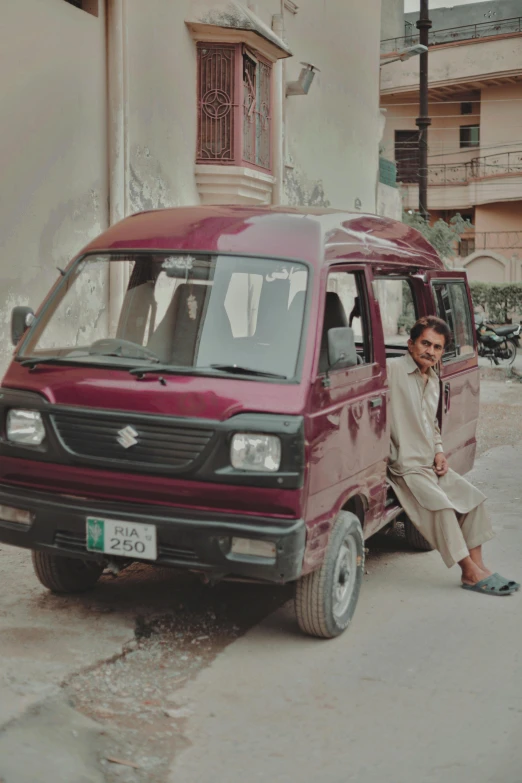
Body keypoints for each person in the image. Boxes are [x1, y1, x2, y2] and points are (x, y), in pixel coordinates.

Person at [387, 315, 519, 596]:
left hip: (428, 464)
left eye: (437, 347)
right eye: (425, 343)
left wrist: (439, 452)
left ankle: (479, 567)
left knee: (473, 499)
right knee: (443, 508)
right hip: (405, 467)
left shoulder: (433, 379)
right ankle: (468, 571)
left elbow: (431, 424)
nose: (430, 351)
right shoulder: (393, 370)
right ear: (410, 344)